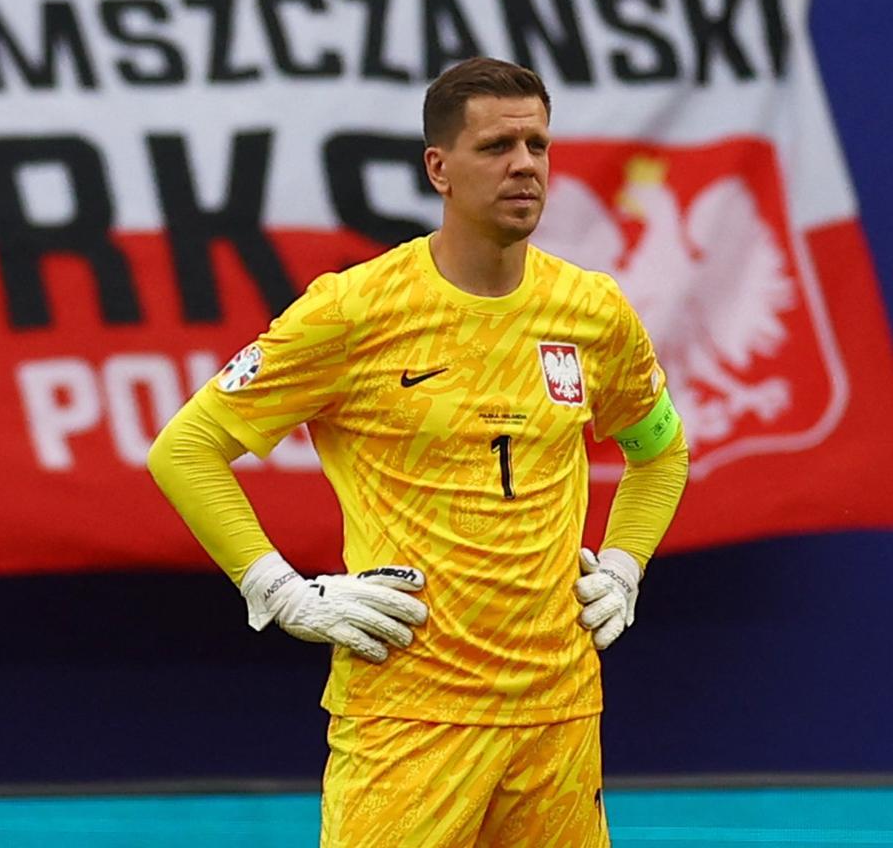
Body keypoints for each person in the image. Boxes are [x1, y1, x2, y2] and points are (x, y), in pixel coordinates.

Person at [148, 57, 689, 847]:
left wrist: (625, 566)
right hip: (410, 710)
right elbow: (186, 449)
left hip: (559, 713)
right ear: (438, 167)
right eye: (497, 146)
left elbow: (660, 454)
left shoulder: (594, 310)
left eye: (538, 145)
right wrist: (282, 592)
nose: (524, 166)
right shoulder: (354, 310)